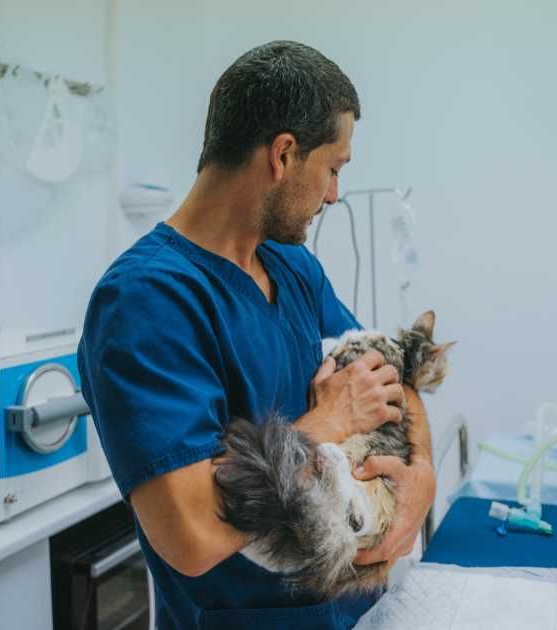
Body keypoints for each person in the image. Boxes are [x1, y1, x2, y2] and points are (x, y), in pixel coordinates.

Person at [77, 40, 436, 629]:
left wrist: (421, 476)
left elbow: (391, 377)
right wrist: (327, 423)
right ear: (283, 154)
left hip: (355, 612)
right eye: (333, 169)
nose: (334, 194)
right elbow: (190, 531)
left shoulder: (294, 267)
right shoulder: (145, 301)